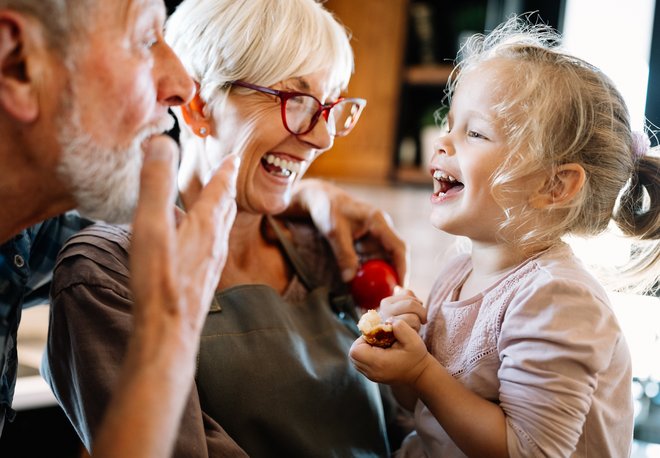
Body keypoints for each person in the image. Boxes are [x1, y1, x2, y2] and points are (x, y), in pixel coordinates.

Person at [0, 0, 406, 456]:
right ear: (197, 109)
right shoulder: (108, 269)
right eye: (296, 99)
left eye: (330, 106)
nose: (323, 136)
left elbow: (403, 426)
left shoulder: (328, 247)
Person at [350, 16, 660, 457]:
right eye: (450, 123)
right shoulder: (460, 271)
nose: (442, 141)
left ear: (554, 187)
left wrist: (421, 371)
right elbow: (427, 410)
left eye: (475, 133)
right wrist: (404, 361)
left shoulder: (558, 298)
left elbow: (529, 450)